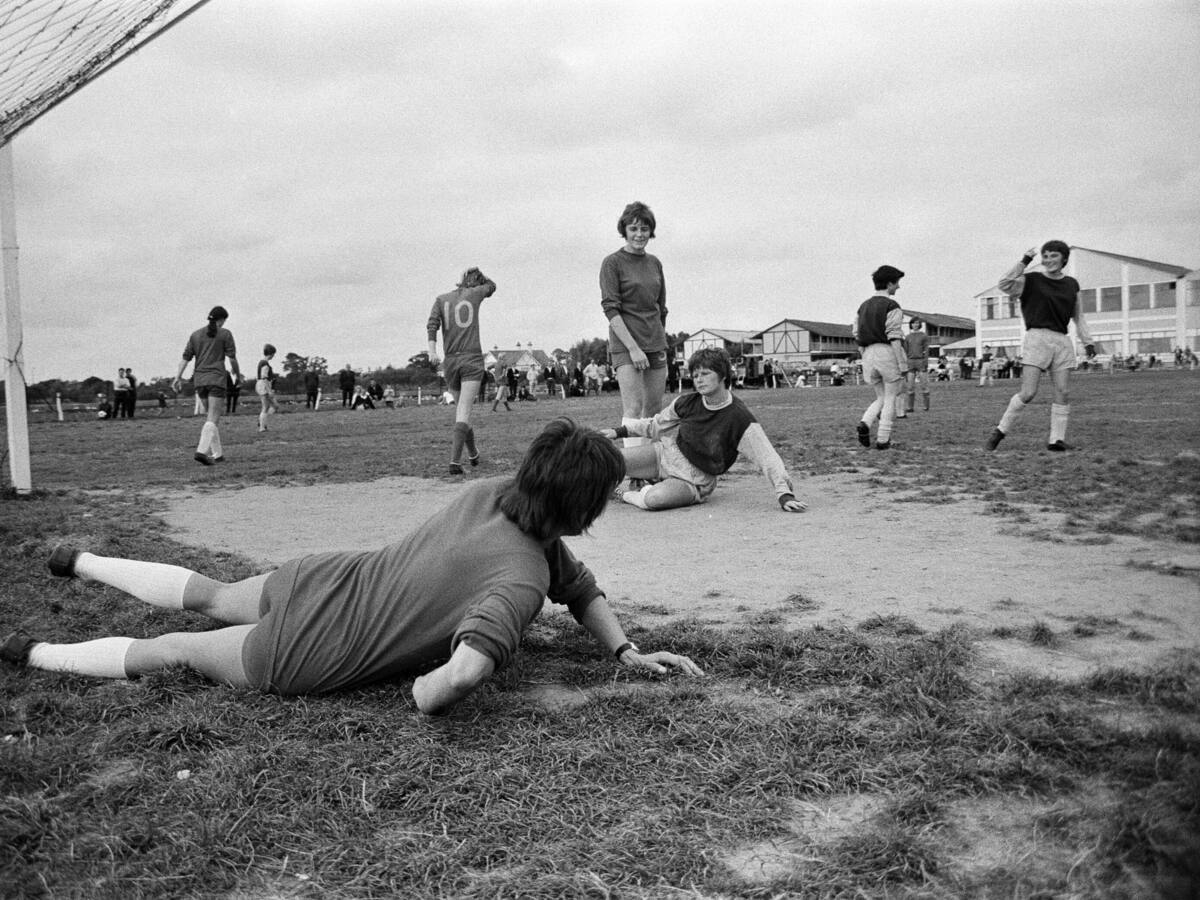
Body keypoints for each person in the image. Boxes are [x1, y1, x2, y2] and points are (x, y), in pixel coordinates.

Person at [2, 419, 704, 714]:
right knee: (176, 649)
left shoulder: (493, 495)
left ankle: (84, 560)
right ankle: (36, 653)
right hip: (316, 650)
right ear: (577, 509)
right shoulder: (522, 579)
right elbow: (467, 667)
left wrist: (623, 647)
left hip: (325, 578)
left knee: (209, 598)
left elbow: (578, 589)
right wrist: (427, 694)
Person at [600, 347, 806, 514]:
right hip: (665, 455)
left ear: (723, 375)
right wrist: (617, 431)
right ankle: (645, 479)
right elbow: (654, 426)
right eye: (695, 374)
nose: (699, 379)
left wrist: (784, 494)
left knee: (653, 499)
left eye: (706, 374)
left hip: (695, 479)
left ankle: (625, 493)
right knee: (607, 461)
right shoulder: (687, 402)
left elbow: (767, 457)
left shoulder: (739, 417)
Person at [985, 241, 1095, 452]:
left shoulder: (1072, 284)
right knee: (1028, 392)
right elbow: (1004, 284)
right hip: (1037, 338)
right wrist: (1024, 261)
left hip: (1062, 341)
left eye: (1054, 256)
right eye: (1045, 256)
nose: (1048, 260)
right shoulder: (1031, 280)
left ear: (1064, 258)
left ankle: (1056, 440)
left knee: (1063, 391)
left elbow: (1078, 316)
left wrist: (1088, 342)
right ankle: (999, 431)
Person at [600, 201, 669, 457]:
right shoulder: (612, 263)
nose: (639, 234)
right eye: (634, 228)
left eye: (645, 228)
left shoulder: (655, 263)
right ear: (625, 230)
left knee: (652, 409)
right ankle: (633, 469)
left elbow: (661, 308)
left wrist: (659, 342)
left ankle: (652, 466)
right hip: (626, 344)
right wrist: (634, 348)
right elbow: (611, 309)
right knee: (634, 408)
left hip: (655, 343)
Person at [427, 266, 498, 475]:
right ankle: (455, 462)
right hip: (471, 359)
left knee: (461, 411)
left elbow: (432, 325)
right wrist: (480, 276)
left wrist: (432, 351)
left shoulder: (441, 299)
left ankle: (474, 454)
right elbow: (492, 286)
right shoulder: (475, 293)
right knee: (464, 411)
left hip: (450, 361)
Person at [173, 305, 239, 465]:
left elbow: (185, 358)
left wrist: (177, 377)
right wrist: (237, 373)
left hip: (200, 381)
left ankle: (218, 455)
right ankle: (201, 452)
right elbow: (232, 358)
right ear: (222, 320)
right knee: (213, 418)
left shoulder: (195, 335)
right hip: (216, 379)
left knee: (211, 418)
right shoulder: (225, 334)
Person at [852, 265, 908, 450]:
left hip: (867, 353)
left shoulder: (863, 306)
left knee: (881, 396)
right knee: (891, 396)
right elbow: (894, 335)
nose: (898, 287)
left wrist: (864, 355)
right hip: (886, 351)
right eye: (897, 283)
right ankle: (883, 439)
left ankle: (865, 422)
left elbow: (856, 332)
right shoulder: (892, 306)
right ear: (890, 283)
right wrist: (901, 362)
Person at [902, 319, 931, 414]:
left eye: (917, 323)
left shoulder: (923, 336)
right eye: (914, 323)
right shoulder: (907, 337)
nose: (915, 325)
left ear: (920, 325)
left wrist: (925, 362)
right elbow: (905, 351)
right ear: (911, 324)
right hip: (910, 363)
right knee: (910, 387)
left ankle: (926, 406)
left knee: (924, 386)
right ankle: (910, 407)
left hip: (921, 362)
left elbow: (926, 350)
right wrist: (905, 363)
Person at [256, 344, 279, 433]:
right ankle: (262, 427)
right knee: (266, 406)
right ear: (271, 353)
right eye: (273, 354)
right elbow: (264, 377)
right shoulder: (265, 364)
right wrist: (269, 391)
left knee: (274, 406)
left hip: (262, 384)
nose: (274, 356)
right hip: (263, 385)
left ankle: (261, 421)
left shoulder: (262, 362)